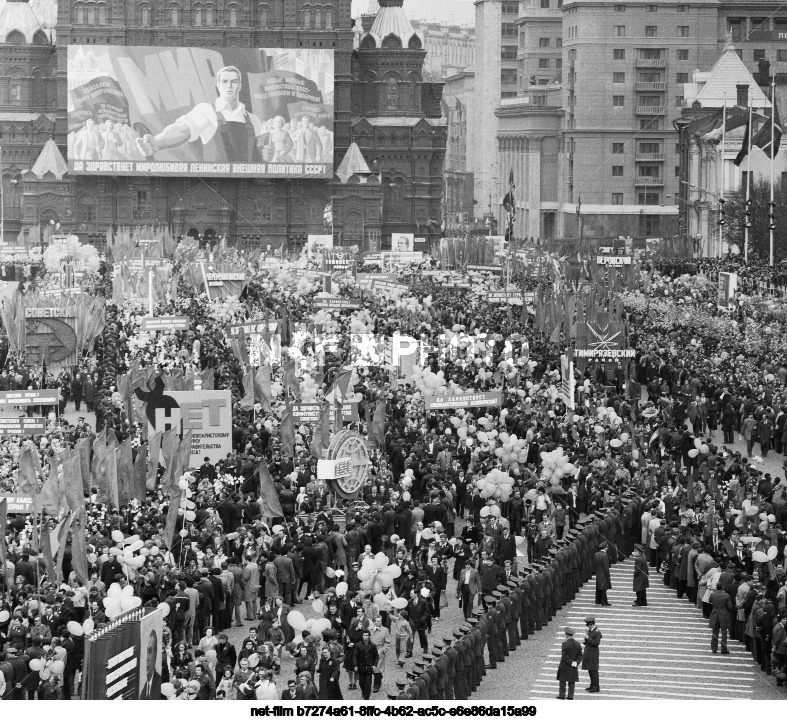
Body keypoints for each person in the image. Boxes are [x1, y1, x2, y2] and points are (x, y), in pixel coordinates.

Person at [136, 66, 265, 163]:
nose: (229, 86)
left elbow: (260, 152)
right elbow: (183, 130)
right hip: (215, 185)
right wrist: (158, 142)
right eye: (225, 81)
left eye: (234, 81)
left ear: (240, 86)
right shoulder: (207, 110)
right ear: (218, 86)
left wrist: (269, 154)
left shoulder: (254, 120)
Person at [556, 627, 582, 700]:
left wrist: (571, 662)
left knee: (562, 680)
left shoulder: (565, 644)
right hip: (573, 666)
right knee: (572, 681)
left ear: (566, 635)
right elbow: (580, 655)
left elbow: (564, 656)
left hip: (565, 665)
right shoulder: (577, 644)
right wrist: (576, 663)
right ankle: (570, 696)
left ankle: (562, 695)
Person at [353, 629, 379, 701]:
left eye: (366, 635)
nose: (365, 637)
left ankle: (366, 697)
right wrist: (355, 665)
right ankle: (364, 692)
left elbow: (376, 656)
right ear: (362, 636)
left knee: (368, 684)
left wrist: (374, 665)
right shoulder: (358, 645)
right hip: (361, 667)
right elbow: (355, 656)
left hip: (369, 668)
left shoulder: (373, 646)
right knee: (361, 683)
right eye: (364, 635)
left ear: (369, 636)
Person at [709, 581, 733, 655]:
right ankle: (724, 649)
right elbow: (730, 606)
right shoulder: (726, 595)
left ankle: (714, 648)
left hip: (715, 613)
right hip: (723, 613)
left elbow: (710, 601)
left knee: (715, 631)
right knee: (724, 632)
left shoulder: (712, 594)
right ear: (722, 587)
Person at [581, 616, 602, 693]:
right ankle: (592, 685)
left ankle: (596, 686)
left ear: (591, 624)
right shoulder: (590, 630)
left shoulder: (597, 632)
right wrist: (585, 640)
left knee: (594, 670)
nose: (587, 626)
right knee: (590, 669)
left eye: (587, 624)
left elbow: (596, 643)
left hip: (593, 653)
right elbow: (589, 641)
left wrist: (588, 638)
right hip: (589, 652)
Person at [139, 629, 160, 699]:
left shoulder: (158, 682)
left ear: (155, 653)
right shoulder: (143, 688)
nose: (147, 658)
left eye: (150, 651)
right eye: (146, 652)